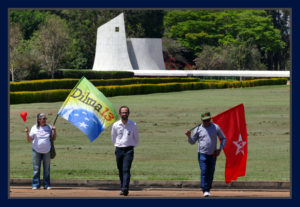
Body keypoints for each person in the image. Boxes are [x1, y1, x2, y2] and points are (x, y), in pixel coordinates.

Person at [185, 112, 226, 197]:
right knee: (204, 171)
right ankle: (205, 190)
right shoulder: (198, 129)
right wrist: (189, 136)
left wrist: (220, 149)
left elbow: (223, 138)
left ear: (210, 119)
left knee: (210, 172)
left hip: (213, 154)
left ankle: (208, 188)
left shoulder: (216, 127)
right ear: (202, 120)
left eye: (208, 120)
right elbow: (192, 142)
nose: (207, 122)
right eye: (205, 121)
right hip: (202, 154)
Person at [111, 106, 139, 196]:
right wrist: (118, 144)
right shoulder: (115, 125)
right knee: (120, 170)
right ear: (120, 114)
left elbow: (136, 138)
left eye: (126, 112)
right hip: (119, 149)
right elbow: (113, 137)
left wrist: (131, 145)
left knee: (126, 169)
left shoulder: (133, 125)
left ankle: (125, 189)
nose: (124, 114)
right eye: (123, 112)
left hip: (129, 150)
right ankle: (123, 186)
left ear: (128, 114)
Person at [25, 113, 56, 190]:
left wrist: (54, 131)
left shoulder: (49, 127)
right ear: (38, 120)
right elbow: (29, 140)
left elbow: (54, 138)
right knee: (36, 168)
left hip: (47, 151)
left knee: (47, 169)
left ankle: (47, 184)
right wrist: (27, 133)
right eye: (42, 119)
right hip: (36, 150)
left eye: (45, 119)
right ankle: (35, 184)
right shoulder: (34, 128)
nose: (44, 120)